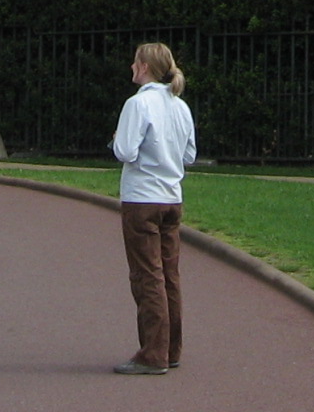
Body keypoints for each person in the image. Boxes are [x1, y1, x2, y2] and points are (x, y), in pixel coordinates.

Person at [110, 41, 195, 376]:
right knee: (169, 275)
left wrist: (117, 138)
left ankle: (152, 354)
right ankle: (171, 349)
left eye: (134, 62)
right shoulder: (180, 106)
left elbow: (126, 151)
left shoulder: (138, 104)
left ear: (144, 66)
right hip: (172, 198)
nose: (132, 68)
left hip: (142, 198)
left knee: (147, 276)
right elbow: (189, 156)